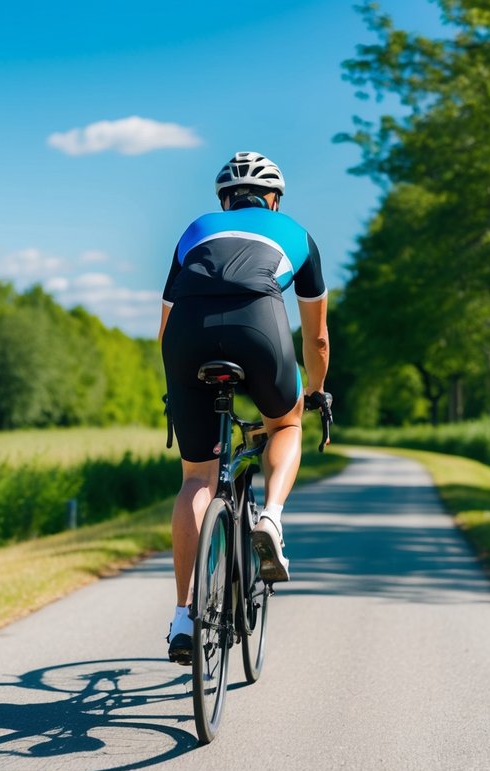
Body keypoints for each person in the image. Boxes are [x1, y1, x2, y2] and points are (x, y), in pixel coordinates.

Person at [158, 151, 329, 665]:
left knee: (196, 479)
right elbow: (316, 340)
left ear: (225, 200)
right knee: (287, 422)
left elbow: (165, 327)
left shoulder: (196, 229)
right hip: (260, 327)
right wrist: (315, 393)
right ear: (273, 199)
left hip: (187, 340)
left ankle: (184, 617)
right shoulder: (297, 233)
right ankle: (271, 519)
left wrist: (180, 384)